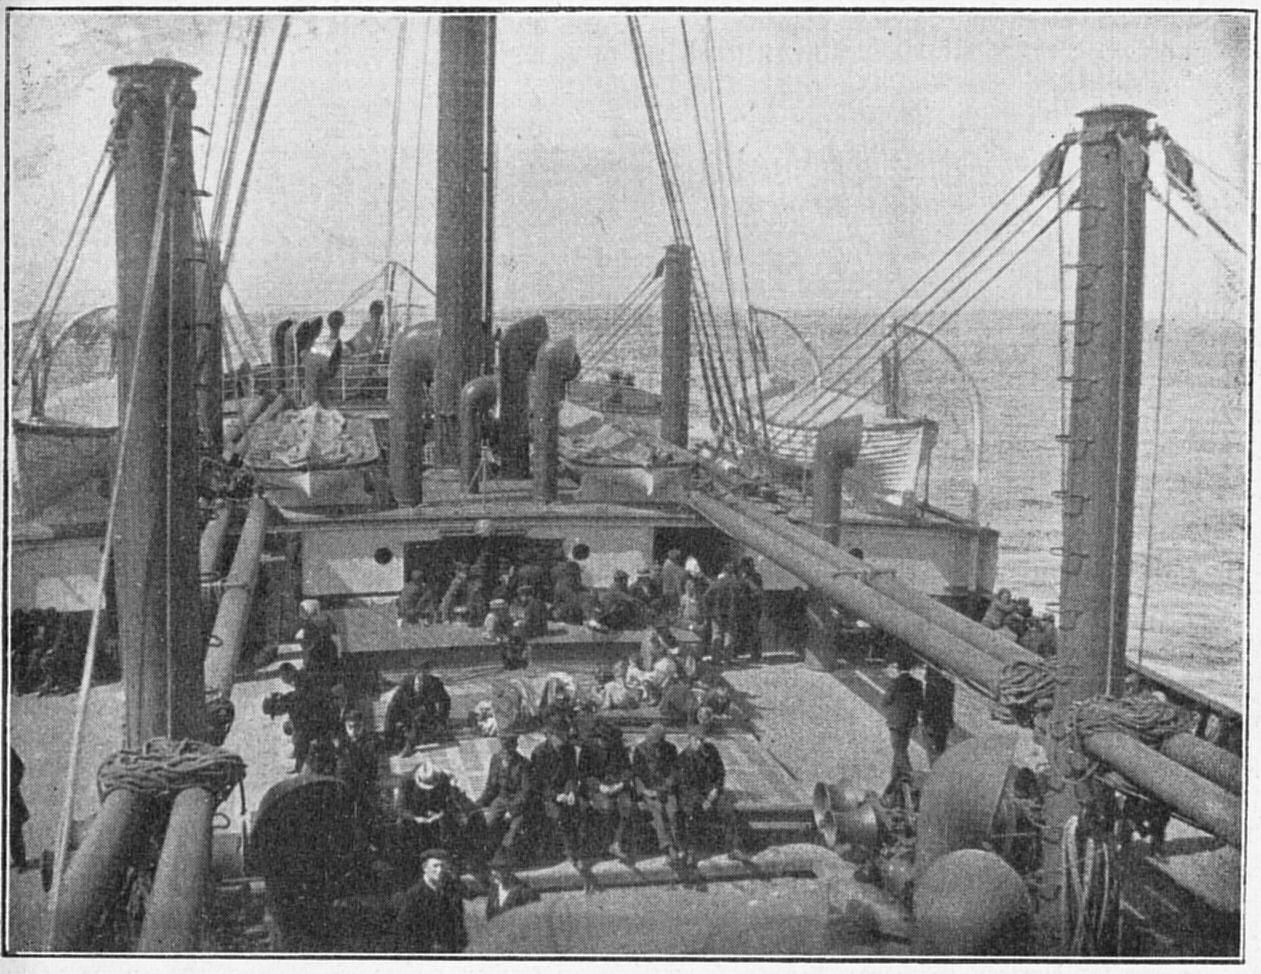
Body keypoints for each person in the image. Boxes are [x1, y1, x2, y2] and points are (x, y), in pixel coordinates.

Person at [675, 722, 750, 867]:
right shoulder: (683, 759)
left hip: (711, 794)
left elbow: (720, 773)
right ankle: (691, 852)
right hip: (693, 797)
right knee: (691, 814)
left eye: (702, 740)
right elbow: (685, 786)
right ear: (690, 739)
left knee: (728, 810)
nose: (700, 743)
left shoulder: (711, 751)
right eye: (696, 739)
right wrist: (701, 800)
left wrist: (716, 789)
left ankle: (734, 848)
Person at [578, 718, 634, 861]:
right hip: (596, 787)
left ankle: (616, 843)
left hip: (616, 785)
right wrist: (599, 786)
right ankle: (603, 844)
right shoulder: (588, 748)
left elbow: (627, 769)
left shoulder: (618, 747)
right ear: (599, 738)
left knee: (626, 805)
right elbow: (583, 774)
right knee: (606, 806)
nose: (608, 744)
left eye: (611, 741)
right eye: (605, 741)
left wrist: (621, 784)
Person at [392, 848, 468, 953]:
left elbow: (458, 925)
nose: (439, 870)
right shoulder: (414, 895)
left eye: (443, 866)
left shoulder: (451, 892)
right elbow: (404, 932)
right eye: (435, 866)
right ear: (425, 868)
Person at [269, 662, 340, 774]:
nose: (283, 680)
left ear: (289, 672)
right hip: (323, 709)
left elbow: (302, 737)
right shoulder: (298, 683)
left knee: (301, 737)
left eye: (283, 676)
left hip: (325, 714)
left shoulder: (300, 683)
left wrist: (299, 765)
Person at [530, 719, 583, 868]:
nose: (563, 739)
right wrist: (555, 796)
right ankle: (569, 852)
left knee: (578, 809)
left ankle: (577, 850)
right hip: (546, 794)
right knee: (560, 814)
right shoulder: (539, 752)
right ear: (549, 735)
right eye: (559, 736)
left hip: (564, 792)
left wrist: (571, 791)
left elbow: (572, 774)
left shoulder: (569, 750)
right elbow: (538, 782)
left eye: (565, 735)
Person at [476, 733, 532, 867]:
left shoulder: (524, 764)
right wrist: (478, 804)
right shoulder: (495, 759)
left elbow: (525, 793)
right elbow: (490, 787)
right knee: (488, 823)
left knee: (513, 830)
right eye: (503, 749)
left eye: (509, 749)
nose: (505, 754)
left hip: (518, 803)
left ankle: (504, 858)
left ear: (515, 746)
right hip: (501, 799)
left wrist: (511, 810)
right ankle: (487, 854)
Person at [631, 724, 680, 862]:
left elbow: (674, 773)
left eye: (657, 743)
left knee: (672, 811)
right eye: (651, 742)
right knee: (657, 810)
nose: (654, 746)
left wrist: (665, 788)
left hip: (665, 789)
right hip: (649, 790)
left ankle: (675, 845)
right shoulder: (640, 750)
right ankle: (668, 847)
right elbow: (636, 774)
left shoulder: (670, 749)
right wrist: (644, 791)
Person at [335, 708, 385, 839]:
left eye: (357, 726)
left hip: (366, 783)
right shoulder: (341, 742)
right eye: (350, 727)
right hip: (347, 784)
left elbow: (374, 764)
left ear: (363, 725)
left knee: (369, 815)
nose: (353, 731)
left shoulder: (372, 741)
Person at [384, 663, 452, 754]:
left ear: (429, 671)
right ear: (415, 671)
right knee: (391, 709)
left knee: (420, 718)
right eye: (420, 671)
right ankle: (389, 741)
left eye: (425, 671)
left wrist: (442, 719)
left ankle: (410, 745)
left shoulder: (435, 683)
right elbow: (395, 701)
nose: (422, 674)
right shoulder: (406, 681)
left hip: (426, 715)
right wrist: (389, 726)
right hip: (409, 712)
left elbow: (445, 700)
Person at [883, 658, 923, 805]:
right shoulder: (917, 684)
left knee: (899, 750)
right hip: (909, 722)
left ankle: (909, 776)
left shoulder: (895, 683)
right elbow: (920, 704)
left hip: (895, 722)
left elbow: (885, 701)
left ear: (899, 669)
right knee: (901, 748)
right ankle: (894, 782)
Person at [702, 563, 741, 668]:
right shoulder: (734, 583)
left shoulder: (716, 583)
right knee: (729, 634)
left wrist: (708, 610)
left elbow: (706, 596)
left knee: (717, 634)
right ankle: (728, 659)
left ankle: (716, 659)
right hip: (729, 612)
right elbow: (739, 596)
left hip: (716, 613)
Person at [296, 599, 340, 687]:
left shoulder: (310, 624)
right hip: (328, 650)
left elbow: (309, 645)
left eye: (303, 610)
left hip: (318, 653)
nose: (300, 614)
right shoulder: (326, 619)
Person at [921, 666, 955, 765]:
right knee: (939, 697)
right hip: (938, 722)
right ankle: (938, 673)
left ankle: (940, 674)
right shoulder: (936, 754)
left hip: (937, 722)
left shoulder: (936, 754)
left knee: (940, 697)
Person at [735, 557, 765, 663]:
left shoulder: (751, 578)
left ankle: (756, 654)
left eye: (743, 567)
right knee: (749, 630)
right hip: (749, 608)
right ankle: (753, 653)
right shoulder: (752, 577)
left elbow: (757, 591)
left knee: (753, 631)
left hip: (752, 608)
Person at [10, 750, 29, 871]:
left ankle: (20, 861)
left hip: (9, 797)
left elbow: (19, 767)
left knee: (14, 829)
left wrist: (11, 785)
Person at [659, 549, 687, 614]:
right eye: (677, 556)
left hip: (669, 589)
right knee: (673, 607)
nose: (679, 558)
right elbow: (676, 578)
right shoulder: (670, 565)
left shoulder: (668, 563)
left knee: (671, 607)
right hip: (671, 590)